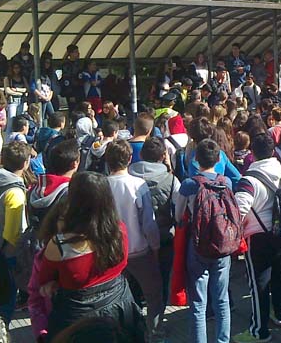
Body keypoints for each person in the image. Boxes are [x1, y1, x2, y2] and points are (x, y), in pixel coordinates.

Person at [35, 171, 145, 341]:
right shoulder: (119, 229)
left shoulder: (60, 244)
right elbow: (123, 263)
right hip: (119, 305)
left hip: (77, 316)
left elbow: (44, 280)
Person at [233, 132, 281, 343]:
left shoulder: (248, 179)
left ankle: (259, 330)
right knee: (280, 273)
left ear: (253, 152)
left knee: (258, 283)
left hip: (257, 236)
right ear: (273, 150)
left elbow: (239, 209)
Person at [105, 140, 164, 342]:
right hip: (139, 249)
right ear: (130, 159)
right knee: (153, 295)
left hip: (113, 252)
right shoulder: (138, 185)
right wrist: (155, 246)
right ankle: (154, 333)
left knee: (115, 297)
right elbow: (148, 223)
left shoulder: (102, 186)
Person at [178, 138, 231, 343]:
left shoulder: (190, 184)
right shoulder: (225, 182)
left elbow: (179, 214)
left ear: (196, 159)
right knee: (221, 300)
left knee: (198, 303)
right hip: (222, 243)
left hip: (198, 243)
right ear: (218, 159)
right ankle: (222, 340)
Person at [128, 136, 180, 308]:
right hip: (164, 236)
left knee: (134, 282)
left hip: (133, 239)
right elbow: (179, 208)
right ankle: (158, 312)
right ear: (163, 156)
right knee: (162, 278)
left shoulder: (127, 177)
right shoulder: (171, 180)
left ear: (141, 155)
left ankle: (136, 312)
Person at [0, 141, 31, 322]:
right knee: (5, 302)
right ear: (25, 163)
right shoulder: (15, 193)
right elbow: (13, 233)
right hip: (3, 255)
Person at [3, 61, 28, 135]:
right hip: (12, 101)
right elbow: (7, 90)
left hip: (21, 101)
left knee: (20, 121)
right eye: (15, 68)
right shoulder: (8, 78)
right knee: (11, 121)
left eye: (18, 68)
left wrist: (17, 89)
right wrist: (20, 93)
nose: (16, 70)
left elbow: (27, 89)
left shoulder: (23, 78)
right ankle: (8, 139)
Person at [32, 53, 56, 123]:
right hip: (40, 98)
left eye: (49, 63)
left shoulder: (49, 73)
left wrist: (49, 97)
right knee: (41, 118)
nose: (48, 65)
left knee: (52, 116)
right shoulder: (36, 72)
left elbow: (51, 88)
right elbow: (32, 87)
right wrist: (43, 97)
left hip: (47, 98)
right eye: (46, 62)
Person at [60, 44, 83, 111]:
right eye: (76, 52)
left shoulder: (79, 63)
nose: (78, 53)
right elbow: (66, 80)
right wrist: (70, 95)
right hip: (72, 91)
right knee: (74, 110)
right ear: (70, 53)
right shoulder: (66, 65)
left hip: (80, 91)